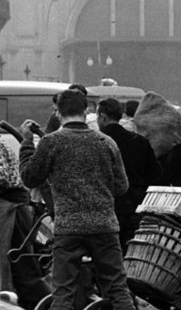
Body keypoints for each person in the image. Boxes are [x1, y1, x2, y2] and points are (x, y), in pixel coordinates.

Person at [19, 89, 135, 309]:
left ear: (58, 113)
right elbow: (122, 187)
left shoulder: (51, 142)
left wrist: (26, 144)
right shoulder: (106, 142)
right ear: (86, 110)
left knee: (63, 293)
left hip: (68, 228)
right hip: (104, 226)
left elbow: (29, 177)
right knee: (118, 289)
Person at [96, 98, 162, 254]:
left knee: (107, 254)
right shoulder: (139, 141)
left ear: (103, 117)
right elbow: (156, 174)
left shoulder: (95, 142)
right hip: (135, 205)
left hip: (105, 207)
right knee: (131, 250)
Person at [0, 139, 50, 310]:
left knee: (21, 267)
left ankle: (49, 304)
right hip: (13, 206)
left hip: (11, 208)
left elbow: (1, 177)